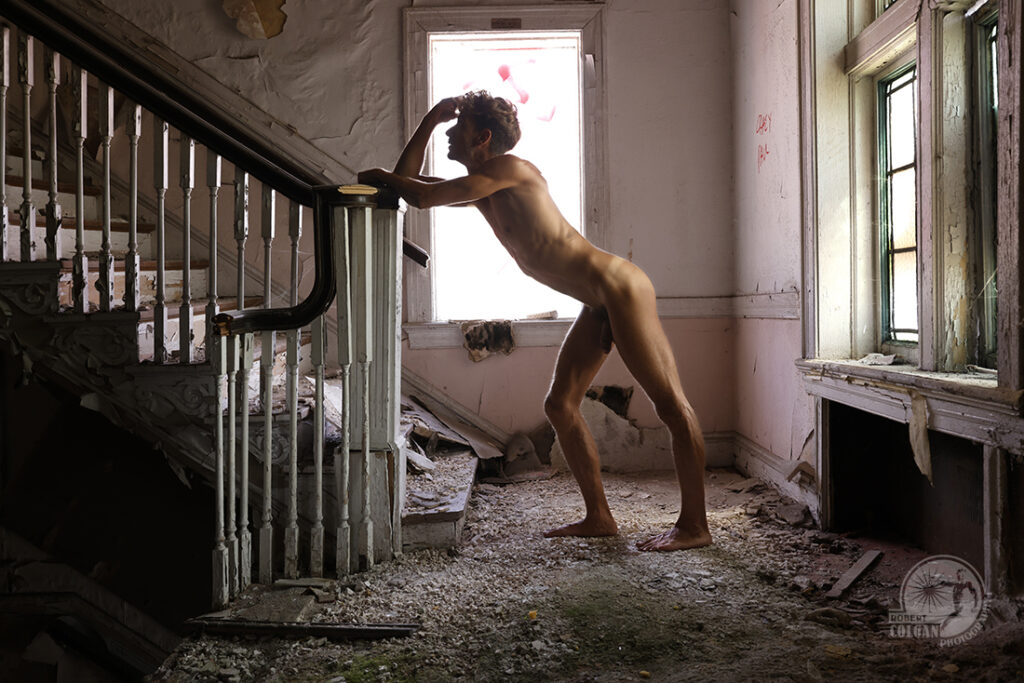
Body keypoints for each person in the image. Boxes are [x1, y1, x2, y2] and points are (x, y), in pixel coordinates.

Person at [358, 91, 711, 551]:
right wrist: (428, 121)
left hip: (619, 287)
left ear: (483, 137)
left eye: (457, 127)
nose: (449, 133)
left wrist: (376, 174)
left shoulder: (509, 169)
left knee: (670, 407)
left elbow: (415, 194)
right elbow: (406, 187)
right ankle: (600, 517)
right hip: (595, 300)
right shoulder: (484, 189)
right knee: (560, 406)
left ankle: (694, 526)